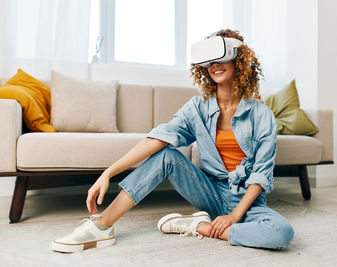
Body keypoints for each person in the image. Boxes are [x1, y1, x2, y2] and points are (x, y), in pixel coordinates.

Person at [51, 29, 294, 253]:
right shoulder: (196, 109)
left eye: (221, 57)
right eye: (209, 61)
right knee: (166, 155)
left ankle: (198, 227)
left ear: (238, 60)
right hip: (210, 192)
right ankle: (101, 226)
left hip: (248, 202)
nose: (214, 65)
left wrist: (234, 216)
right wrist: (109, 172)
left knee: (282, 234)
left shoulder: (262, 115)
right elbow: (159, 138)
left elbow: (261, 175)